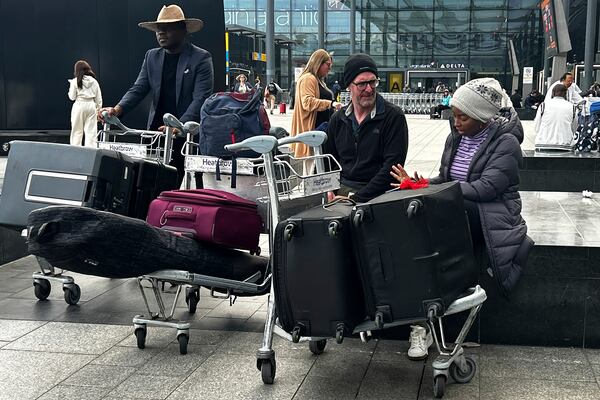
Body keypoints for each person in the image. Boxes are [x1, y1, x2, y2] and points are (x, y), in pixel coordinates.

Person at [391, 77, 533, 360]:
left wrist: (431, 191)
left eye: (462, 117)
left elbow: (485, 189)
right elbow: (446, 179)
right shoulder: (455, 137)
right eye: (454, 115)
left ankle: (425, 322)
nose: (455, 122)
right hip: (459, 206)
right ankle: (421, 322)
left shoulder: (506, 144)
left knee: (425, 225)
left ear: (481, 117)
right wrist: (422, 184)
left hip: (491, 213)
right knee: (408, 215)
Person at [98, 5, 213, 186]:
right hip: (156, 134)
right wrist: (117, 109)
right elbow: (139, 88)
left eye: (167, 28)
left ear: (183, 30)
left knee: (186, 183)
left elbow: (201, 98)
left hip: (187, 135)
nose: (161, 33)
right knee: (149, 182)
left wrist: (181, 126)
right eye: (159, 29)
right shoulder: (151, 56)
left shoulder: (201, 58)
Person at [324, 53, 409, 203]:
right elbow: (328, 161)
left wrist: (355, 199)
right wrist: (328, 188)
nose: (369, 89)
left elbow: (392, 169)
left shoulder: (393, 117)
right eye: (362, 84)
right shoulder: (338, 119)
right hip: (342, 190)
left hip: (379, 196)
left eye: (373, 82)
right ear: (349, 86)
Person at [290, 49, 342, 159]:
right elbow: (307, 102)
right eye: (328, 64)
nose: (330, 68)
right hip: (313, 133)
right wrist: (331, 104)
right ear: (319, 63)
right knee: (312, 170)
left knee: (317, 168)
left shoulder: (317, 80)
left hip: (318, 133)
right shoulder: (309, 78)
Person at [68, 60, 102, 147]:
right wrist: (98, 111)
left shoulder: (75, 81)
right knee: (91, 132)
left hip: (79, 105)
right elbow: (98, 99)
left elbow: (72, 97)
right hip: (91, 106)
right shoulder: (94, 81)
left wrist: (71, 85)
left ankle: (75, 152)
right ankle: (91, 153)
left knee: (77, 131)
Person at [533, 84, 576, 151]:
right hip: (565, 145)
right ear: (565, 94)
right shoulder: (572, 107)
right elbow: (574, 128)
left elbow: (536, 126)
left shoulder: (543, 105)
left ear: (552, 93)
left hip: (543, 143)